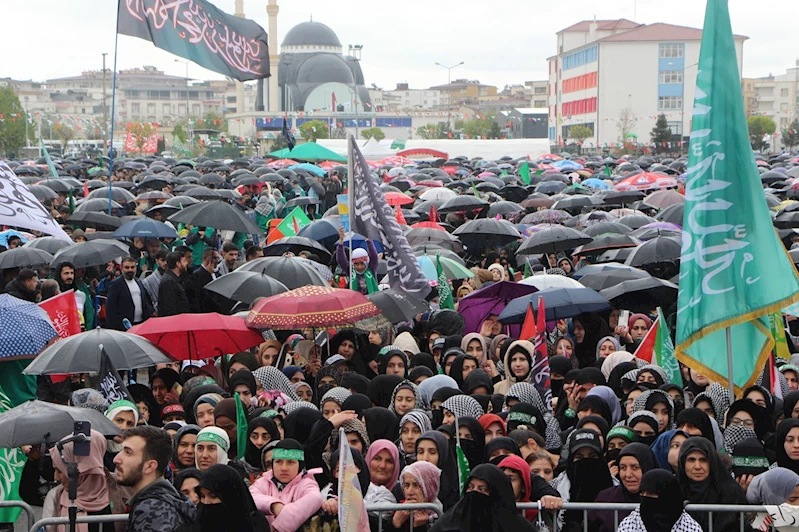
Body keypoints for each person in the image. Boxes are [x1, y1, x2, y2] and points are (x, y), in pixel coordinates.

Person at [113, 426, 196, 532]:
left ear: (150, 466)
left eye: (128, 452)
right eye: (121, 451)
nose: (116, 459)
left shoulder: (152, 510)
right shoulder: (165, 500)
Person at [45, 429, 119, 532]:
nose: (56, 478)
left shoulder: (120, 489)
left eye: (60, 471)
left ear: (83, 469)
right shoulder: (56, 495)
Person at [428, 464, 535, 532]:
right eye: (470, 487)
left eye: (482, 489)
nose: (474, 493)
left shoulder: (518, 527)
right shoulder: (447, 524)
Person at [249, 439, 324, 532]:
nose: (284, 468)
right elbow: (250, 496)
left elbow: (315, 498)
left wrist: (281, 525)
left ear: (300, 465)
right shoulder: (263, 482)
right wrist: (274, 505)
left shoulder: (307, 484)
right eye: (278, 462)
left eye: (291, 462)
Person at [677, 436, 748, 532]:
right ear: (683, 463)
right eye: (691, 460)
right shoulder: (674, 490)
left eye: (703, 460)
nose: (697, 466)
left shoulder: (730, 492)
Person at [192, 464, 270, 532]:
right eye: (202, 496)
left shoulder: (255, 524)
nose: (206, 501)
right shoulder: (199, 522)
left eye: (213, 496)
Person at [618, 469, 703, 532]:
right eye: (642, 493)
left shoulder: (690, 527)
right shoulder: (629, 525)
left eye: (651, 493)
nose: (645, 498)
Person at [392, 460, 443, 532]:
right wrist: (395, 524)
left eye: (416, 485)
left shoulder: (439, 517)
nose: (409, 492)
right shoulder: (398, 513)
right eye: (406, 485)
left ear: (429, 488)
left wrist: (420, 527)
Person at [105, 256, 153, 330]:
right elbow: (110, 308)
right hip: (123, 327)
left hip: (141, 324)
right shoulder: (115, 284)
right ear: (121, 268)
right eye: (127, 267)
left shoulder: (139, 282)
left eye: (132, 267)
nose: (130, 270)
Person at [336, 227, 379, 295]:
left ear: (366, 263)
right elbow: (341, 260)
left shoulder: (371, 268)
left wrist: (368, 240)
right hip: (356, 301)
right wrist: (341, 242)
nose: (359, 267)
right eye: (356, 264)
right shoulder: (350, 270)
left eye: (362, 263)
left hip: (372, 300)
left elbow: (374, 257)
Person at [158, 251, 191, 317]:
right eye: (184, 261)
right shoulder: (169, 282)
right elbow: (170, 308)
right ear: (178, 264)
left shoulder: (175, 279)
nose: (187, 263)